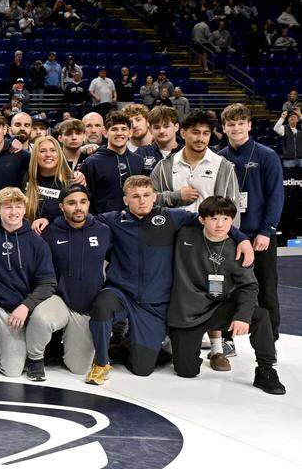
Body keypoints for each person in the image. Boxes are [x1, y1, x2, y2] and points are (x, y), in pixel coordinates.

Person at [84, 176, 252, 385]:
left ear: (155, 197)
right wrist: (47, 221)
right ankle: (101, 363)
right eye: (135, 196)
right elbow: (81, 221)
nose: (142, 200)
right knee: (102, 306)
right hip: (121, 293)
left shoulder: (171, 218)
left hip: (154, 305)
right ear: (126, 199)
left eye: (147, 195)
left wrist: (241, 238)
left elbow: (211, 219)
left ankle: (128, 344)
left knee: (142, 369)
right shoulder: (112, 220)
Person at [167, 196, 283, 394]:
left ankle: (266, 369)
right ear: (202, 220)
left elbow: (250, 286)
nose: (220, 224)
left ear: (232, 221)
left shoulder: (237, 249)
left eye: (226, 219)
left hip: (216, 309)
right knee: (186, 371)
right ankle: (170, 347)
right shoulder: (183, 234)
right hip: (186, 313)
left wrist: (242, 316)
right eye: (213, 219)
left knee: (260, 315)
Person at [0, 187, 56, 387]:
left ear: (25, 209)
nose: (13, 212)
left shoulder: (37, 243)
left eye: (18, 207)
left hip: (15, 310)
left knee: (13, 371)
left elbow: (48, 283)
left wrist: (26, 306)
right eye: (8, 207)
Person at [25, 184, 110, 379]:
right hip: (59, 298)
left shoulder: (103, 230)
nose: (78, 207)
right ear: (62, 207)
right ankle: (34, 359)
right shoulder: (49, 231)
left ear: (89, 204)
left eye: (83, 202)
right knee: (41, 318)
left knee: (79, 368)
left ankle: (67, 348)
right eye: (71, 203)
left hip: (88, 306)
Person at [217, 103, 283, 339]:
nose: (236, 128)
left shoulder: (266, 155)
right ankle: (224, 339)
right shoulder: (219, 158)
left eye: (241, 123)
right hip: (228, 235)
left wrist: (267, 230)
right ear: (224, 128)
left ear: (250, 125)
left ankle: (270, 336)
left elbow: (276, 196)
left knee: (266, 288)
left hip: (259, 235)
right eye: (231, 124)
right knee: (224, 288)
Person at [78, 110, 145, 214]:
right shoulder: (90, 163)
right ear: (105, 132)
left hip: (134, 223)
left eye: (123, 129)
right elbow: (84, 199)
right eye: (114, 129)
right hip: (102, 225)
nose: (119, 133)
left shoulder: (139, 160)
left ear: (130, 132)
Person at [25, 135, 76, 221]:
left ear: (59, 154)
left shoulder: (71, 182)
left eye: (53, 150)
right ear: (35, 156)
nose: (48, 155)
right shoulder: (25, 179)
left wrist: (49, 222)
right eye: (42, 151)